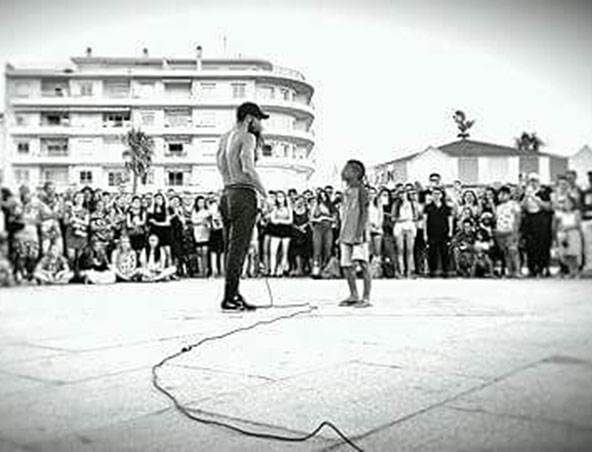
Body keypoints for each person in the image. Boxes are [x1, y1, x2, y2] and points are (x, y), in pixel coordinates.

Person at [216, 102, 268, 311]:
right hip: (243, 194)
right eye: (258, 120)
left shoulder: (225, 137)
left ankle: (233, 294)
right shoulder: (247, 136)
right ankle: (230, 297)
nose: (260, 125)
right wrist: (265, 194)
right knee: (239, 249)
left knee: (231, 250)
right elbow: (248, 167)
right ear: (249, 118)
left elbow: (220, 165)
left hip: (226, 193)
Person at [338, 159, 372, 307]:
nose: (343, 172)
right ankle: (353, 294)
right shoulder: (346, 191)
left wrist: (359, 233)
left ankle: (366, 298)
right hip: (346, 234)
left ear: (356, 173)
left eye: (347, 169)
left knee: (363, 264)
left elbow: (364, 213)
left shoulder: (362, 190)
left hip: (359, 234)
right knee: (346, 265)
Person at [424, 186, 453, 277]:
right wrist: (425, 234)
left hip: (444, 233)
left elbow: (450, 220)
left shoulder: (447, 207)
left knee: (444, 252)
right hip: (431, 233)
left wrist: (450, 232)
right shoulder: (428, 207)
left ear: (441, 195)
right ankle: (432, 271)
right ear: (431, 196)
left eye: (438, 194)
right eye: (434, 194)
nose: (436, 196)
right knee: (432, 253)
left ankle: (445, 271)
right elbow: (425, 221)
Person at [268, 190, 293, 277]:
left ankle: (281, 270)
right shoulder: (274, 207)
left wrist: (279, 221)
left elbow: (290, 221)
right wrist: (282, 220)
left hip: (286, 231)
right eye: (278, 197)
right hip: (275, 230)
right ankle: (272, 270)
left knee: (284, 252)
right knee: (273, 251)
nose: (280, 199)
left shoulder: (288, 208)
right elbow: (273, 220)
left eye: (282, 197)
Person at [191, 196, 212, 277]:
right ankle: (200, 269)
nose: (201, 204)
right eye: (199, 202)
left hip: (205, 234)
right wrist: (201, 222)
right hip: (197, 233)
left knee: (205, 251)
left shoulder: (207, 211)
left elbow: (209, 221)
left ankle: (206, 270)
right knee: (199, 252)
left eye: (202, 202)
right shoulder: (194, 211)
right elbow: (193, 221)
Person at [580, 171, 592, 274]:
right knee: (587, 245)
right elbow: (581, 206)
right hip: (586, 220)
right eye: (590, 178)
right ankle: (589, 266)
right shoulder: (585, 192)